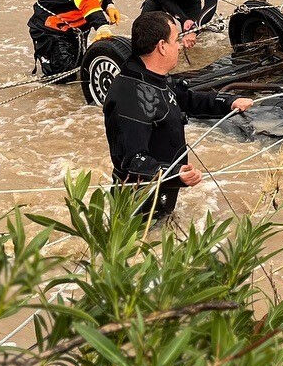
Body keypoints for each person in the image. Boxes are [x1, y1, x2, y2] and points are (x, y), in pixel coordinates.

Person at [102, 11, 254, 220]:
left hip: (162, 194)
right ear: (162, 47)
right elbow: (133, 160)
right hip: (137, 209)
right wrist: (175, 174)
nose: (180, 45)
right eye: (176, 40)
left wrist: (229, 102)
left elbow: (187, 100)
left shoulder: (151, 77)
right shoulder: (128, 97)